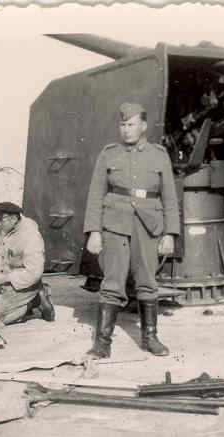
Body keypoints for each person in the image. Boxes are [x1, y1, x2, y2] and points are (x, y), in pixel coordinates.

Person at [83, 102, 180, 359]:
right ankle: (102, 343)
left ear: (144, 126)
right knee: (112, 280)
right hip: (114, 224)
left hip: (148, 225)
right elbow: (95, 195)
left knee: (147, 280)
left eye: (132, 124)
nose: (126, 130)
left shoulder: (159, 155)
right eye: (123, 125)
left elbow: (170, 197)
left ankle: (150, 338)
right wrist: (94, 230)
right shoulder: (108, 154)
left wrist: (170, 233)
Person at [0, 201, 55, 326]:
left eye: (0, 220)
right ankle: (33, 300)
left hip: (26, 281)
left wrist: (5, 278)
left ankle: (35, 299)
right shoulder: (14, 226)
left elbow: (35, 272)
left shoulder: (30, 236)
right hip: (12, 278)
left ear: (13, 219)